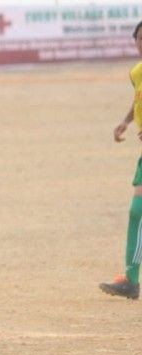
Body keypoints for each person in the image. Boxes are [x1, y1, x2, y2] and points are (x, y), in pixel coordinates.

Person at [100, 21, 142, 301]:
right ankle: (130, 277)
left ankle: (131, 278)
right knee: (136, 211)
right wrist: (126, 121)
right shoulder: (136, 72)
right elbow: (138, 98)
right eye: (139, 38)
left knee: (139, 210)